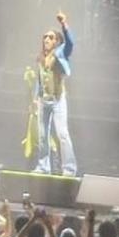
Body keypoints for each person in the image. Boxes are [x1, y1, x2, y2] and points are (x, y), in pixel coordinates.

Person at [29, 11, 78, 176]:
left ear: (56, 41)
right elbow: (39, 79)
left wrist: (64, 24)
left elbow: (70, 43)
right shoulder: (41, 58)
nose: (46, 40)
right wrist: (35, 98)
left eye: (50, 37)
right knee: (43, 136)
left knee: (62, 134)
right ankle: (43, 166)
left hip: (58, 100)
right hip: (44, 100)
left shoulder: (60, 53)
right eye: (45, 37)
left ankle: (69, 168)